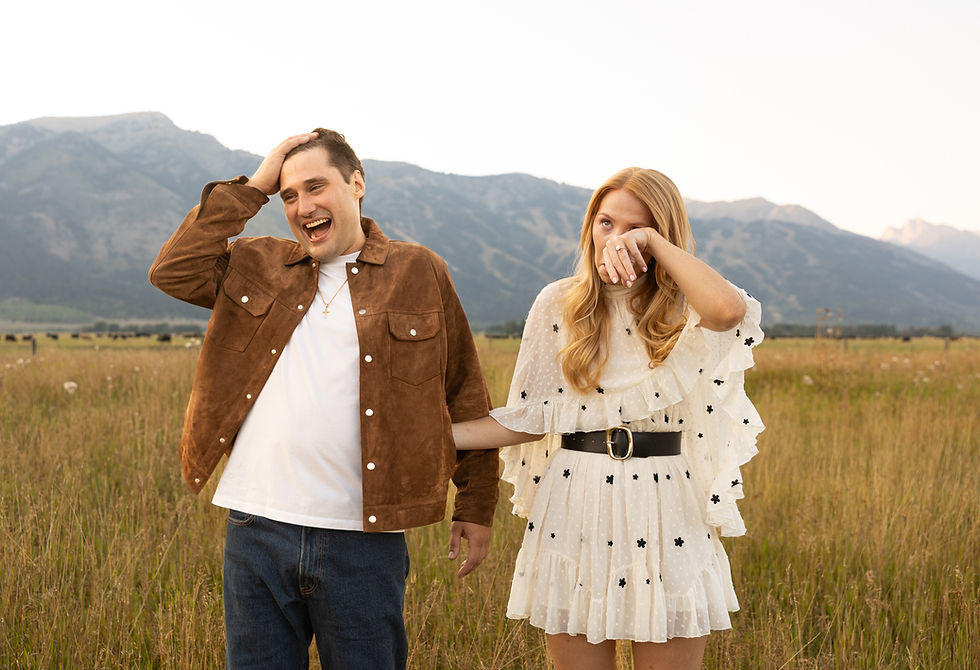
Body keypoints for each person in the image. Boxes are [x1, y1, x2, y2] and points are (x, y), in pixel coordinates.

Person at [148, 129, 499, 670]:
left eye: (316, 187)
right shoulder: (256, 262)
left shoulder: (419, 271)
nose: (302, 206)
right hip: (256, 527)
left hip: (363, 539)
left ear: (356, 184)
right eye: (289, 196)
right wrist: (257, 185)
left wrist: (475, 504)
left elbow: (463, 393)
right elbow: (173, 270)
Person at [452, 167, 764, 670]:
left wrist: (654, 247)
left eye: (637, 229)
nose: (616, 240)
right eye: (606, 223)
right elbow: (531, 416)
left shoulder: (685, 304)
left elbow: (729, 312)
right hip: (576, 498)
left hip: (667, 506)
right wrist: (438, 434)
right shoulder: (558, 302)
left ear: (664, 236)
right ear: (589, 226)